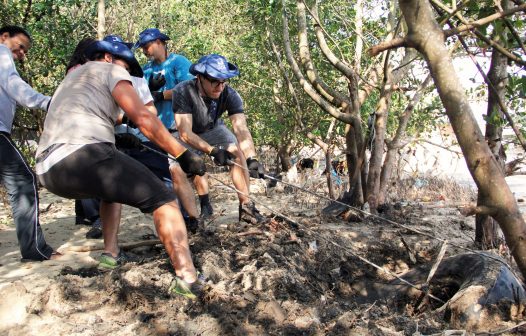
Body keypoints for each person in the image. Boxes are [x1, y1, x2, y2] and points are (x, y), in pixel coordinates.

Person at [35, 39, 206, 298]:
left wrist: (123, 133)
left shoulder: (72, 79)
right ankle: (188, 279)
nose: (126, 75)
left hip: (49, 169)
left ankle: (111, 254)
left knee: (111, 191)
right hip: (84, 152)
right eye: (125, 68)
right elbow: (144, 117)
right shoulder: (110, 69)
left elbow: (112, 116)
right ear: (107, 57)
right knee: (165, 199)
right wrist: (182, 153)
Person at [172, 54, 267, 225]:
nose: (220, 86)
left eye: (223, 81)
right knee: (177, 169)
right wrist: (214, 151)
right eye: (215, 81)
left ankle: (246, 207)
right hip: (182, 132)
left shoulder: (230, 94)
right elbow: (185, 132)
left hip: (212, 128)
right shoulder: (183, 91)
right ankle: (194, 220)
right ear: (200, 77)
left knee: (236, 151)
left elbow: (241, 128)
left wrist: (252, 158)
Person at [134, 28, 214, 218]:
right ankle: (187, 214)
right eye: (142, 47)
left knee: (192, 165)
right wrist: (149, 91)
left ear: (160, 42)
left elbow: (188, 90)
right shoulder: (145, 70)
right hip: (160, 128)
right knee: (172, 171)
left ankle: (205, 204)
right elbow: (140, 96)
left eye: (147, 46)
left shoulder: (179, 62)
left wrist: (161, 94)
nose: (144, 50)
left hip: (182, 123)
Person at [0, 25, 61, 261]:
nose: (22, 54)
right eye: (21, 47)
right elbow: (15, 86)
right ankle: (34, 249)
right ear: (5, 37)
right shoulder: (2, 54)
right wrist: (47, 102)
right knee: (24, 181)